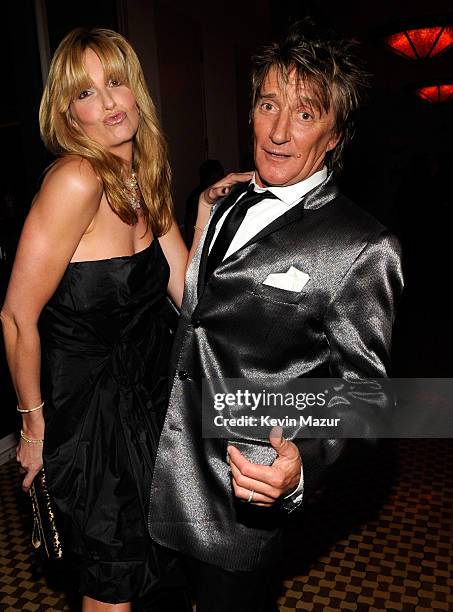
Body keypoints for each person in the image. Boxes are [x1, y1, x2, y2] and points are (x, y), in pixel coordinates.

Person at [148, 22, 404, 612]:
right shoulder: (223, 201)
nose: (280, 132)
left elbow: (370, 399)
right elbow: (199, 320)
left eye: (306, 114)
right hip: (161, 469)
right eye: (268, 105)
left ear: (336, 134)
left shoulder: (364, 245)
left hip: (244, 495)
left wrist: (303, 469)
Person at [0, 27, 196, 611]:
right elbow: (15, 317)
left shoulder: (146, 174)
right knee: (111, 587)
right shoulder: (76, 180)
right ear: (69, 114)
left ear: (135, 89)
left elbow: (184, 285)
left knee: (160, 568)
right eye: (87, 93)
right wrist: (33, 430)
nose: (108, 102)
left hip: (148, 400)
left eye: (115, 82)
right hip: (91, 420)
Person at [183, 160, 225, 248]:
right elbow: (189, 226)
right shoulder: (196, 197)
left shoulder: (225, 193)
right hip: (202, 243)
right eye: (215, 176)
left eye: (220, 175)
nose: (219, 179)